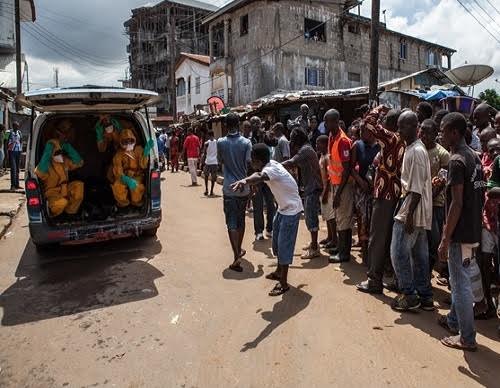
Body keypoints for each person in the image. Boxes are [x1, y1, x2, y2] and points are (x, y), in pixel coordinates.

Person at [437, 112, 484, 352]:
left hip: (460, 232)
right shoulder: (474, 158)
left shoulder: (456, 160)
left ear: (454, 132)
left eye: (443, 130)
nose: (441, 135)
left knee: (460, 284)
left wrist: (445, 237)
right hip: (472, 229)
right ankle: (454, 320)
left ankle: (467, 337)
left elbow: (456, 203)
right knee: (460, 280)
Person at [231, 144, 303, 296]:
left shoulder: (269, 169)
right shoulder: (272, 165)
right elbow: (263, 176)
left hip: (291, 210)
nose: (250, 161)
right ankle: (278, 271)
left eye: (252, 159)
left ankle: (283, 284)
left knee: (284, 246)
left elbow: (260, 177)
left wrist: (245, 181)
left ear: (258, 160)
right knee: (276, 243)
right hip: (283, 209)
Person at [357, 108, 405, 294]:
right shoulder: (405, 141)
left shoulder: (392, 138)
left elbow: (368, 123)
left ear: (390, 124)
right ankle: (393, 277)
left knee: (377, 238)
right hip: (396, 194)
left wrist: (377, 109)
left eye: (384, 122)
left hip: (385, 195)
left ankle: (374, 281)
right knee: (390, 239)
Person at [389, 111, 433, 311]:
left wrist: (408, 215)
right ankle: (425, 295)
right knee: (419, 255)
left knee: (398, 252)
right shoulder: (413, 148)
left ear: (414, 126)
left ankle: (409, 295)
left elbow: (415, 188)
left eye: (402, 126)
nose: (398, 130)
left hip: (412, 208)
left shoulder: (416, 151)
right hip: (418, 209)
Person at [217, 113, 252, 272]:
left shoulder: (221, 142)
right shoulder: (246, 142)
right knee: (241, 220)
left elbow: (220, 162)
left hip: (229, 188)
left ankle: (236, 254)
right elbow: (250, 165)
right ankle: (238, 250)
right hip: (244, 187)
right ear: (238, 124)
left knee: (231, 222)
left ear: (226, 125)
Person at [283, 129, 323, 259]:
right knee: (309, 216)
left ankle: (315, 248)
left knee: (311, 217)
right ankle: (313, 243)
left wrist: (274, 166)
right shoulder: (306, 148)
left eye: (292, 139)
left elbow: (291, 162)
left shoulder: (305, 150)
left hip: (313, 187)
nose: (291, 142)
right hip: (310, 186)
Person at [35, 122, 84, 218]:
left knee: (79, 186)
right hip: (52, 193)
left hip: (64, 189)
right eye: (57, 152)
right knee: (62, 203)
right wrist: (50, 147)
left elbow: (79, 162)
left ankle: (70, 213)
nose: (59, 154)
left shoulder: (64, 161)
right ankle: (54, 213)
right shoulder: (46, 165)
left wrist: (67, 146)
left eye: (61, 152)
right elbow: (40, 172)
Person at [419, 119, 449, 273]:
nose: (422, 135)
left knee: (433, 240)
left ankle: (428, 271)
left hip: (435, 204)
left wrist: (428, 200)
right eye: (421, 131)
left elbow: (442, 181)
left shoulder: (443, 154)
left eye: (427, 132)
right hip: (417, 202)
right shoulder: (417, 149)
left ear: (435, 134)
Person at [325, 109, 354, 264]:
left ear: (335, 121)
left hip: (344, 187)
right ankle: (341, 247)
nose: (325, 124)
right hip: (336, 184)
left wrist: (338, 193)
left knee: (344, 219)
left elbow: (347, 169)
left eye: (327, 121)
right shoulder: (332, 137)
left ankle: (344, 253)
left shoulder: (342, 141)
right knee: (339, 218)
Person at [351, 120, 381, 264]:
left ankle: (375, 253)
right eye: (360, 131)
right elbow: (351, 168)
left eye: (364, 131)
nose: (361, 133)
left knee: (375, 221)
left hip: (377, 189)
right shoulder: (357, 145)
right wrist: (360, 181)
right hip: (362, 189)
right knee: (362, 219)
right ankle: (365, 253)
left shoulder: (381, 146)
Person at [477, 136, 500, 318]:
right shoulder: (484, 165)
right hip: (487, 221)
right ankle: (487, 304)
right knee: (484, 262)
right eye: (491, 149)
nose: (494, 152)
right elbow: (480, 186)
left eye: (497, 149)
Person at [111, 129, 153, 208]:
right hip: (124, 176)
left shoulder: (138, 149)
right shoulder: (119, 154)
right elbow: (117, 168)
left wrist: (146, 152)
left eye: (130, 141)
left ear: (134, 140)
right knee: (118, 186)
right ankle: (123, 204)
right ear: (121, 142)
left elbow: (143, 165)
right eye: (125, 141)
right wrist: (124, 178)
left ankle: (136, 203)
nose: (128, 143)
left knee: (136, 186)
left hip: (137, 175)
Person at [317, 135, 337, 251]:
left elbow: (330, 176)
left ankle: (334, 239)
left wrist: (325, 192)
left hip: (328, 190)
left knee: (331, 216)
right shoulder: (322, 155)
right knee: (327, 216)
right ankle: (330, 237)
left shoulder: (328, 157)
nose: (317, 145)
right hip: (323, 188)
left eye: (319, 143)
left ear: (325, 144)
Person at [201, 130, 218, 197]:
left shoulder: (206, 143)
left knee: (206, 176)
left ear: (208, 135)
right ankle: (211, 191)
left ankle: (206, 189)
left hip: (208, 162)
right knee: (213, 178)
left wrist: (202, 161)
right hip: (214, 162)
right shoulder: (217, 142)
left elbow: (204, 153)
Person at [7, 122, 22, 191]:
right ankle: (12, 185)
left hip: (18, 151)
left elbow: (21, 141)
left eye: (18, 126)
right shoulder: (9, 132)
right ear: (13, 126)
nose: (17, 127)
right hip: (12, 152)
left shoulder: (19, 132)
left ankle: (17, 184)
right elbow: (6, 141)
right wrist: (6, 151)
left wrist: (21, 151)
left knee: (17, 169)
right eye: (16, 126)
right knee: (13, 169)